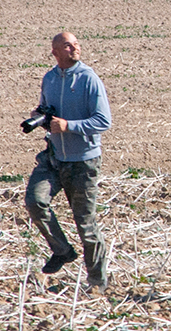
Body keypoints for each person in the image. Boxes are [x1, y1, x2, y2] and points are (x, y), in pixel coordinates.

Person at [24, 32, 112, 290]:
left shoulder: (88, 79)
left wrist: (68, 126)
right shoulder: (49, 78)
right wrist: (40, 117)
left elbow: (103, 121)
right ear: (55, 52)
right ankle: (62, 250)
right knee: (35, 201)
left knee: (86, 226)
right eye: (67, 45)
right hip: (53, 157)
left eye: (76, 44)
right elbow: (46, 108)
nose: (74, 48)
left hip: (83, 162)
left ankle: (97, 283)